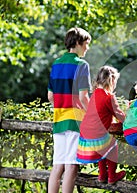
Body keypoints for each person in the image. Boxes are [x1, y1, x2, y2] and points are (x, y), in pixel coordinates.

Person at [47, 27, 92, 193]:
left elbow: (50, 96)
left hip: (58, 121)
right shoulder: (82, 65)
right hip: (75, 121)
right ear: (79, 43)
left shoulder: (56, 64)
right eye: (87, 44)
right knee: (71, 166)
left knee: (57, 166)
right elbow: (83, 97)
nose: (87, 48)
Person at [76, 65, 126, 184]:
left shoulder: (94, 95)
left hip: (85, 133)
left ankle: (102, 175)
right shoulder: (109, 97)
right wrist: (129, 123)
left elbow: (102, 112)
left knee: (103, 149)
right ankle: (112, 176)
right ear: (112, 80)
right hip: (97, 133)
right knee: (112, 146)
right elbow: (118, 114)